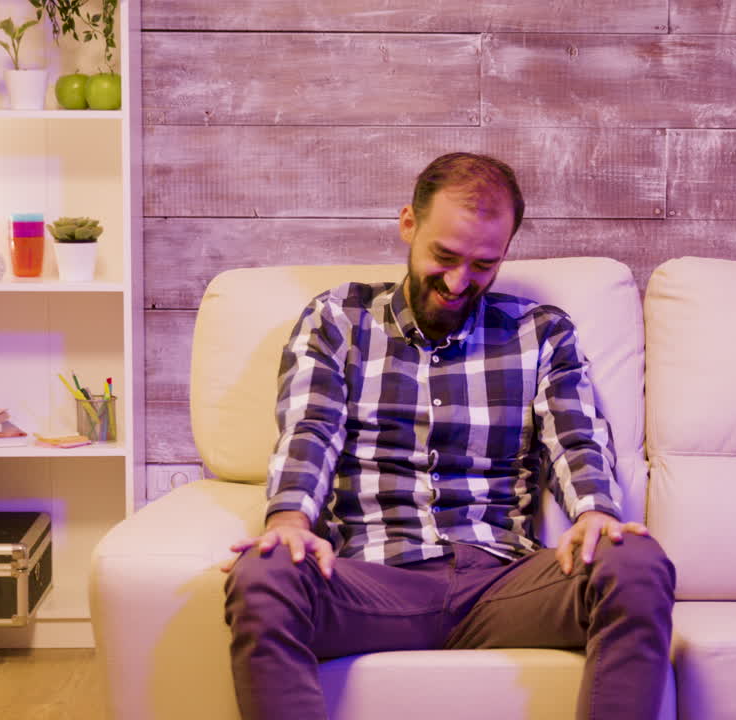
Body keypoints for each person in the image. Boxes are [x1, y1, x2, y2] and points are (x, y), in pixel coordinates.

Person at [222, 152, 676, 720]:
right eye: (444, 256)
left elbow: (575, 438)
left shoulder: (541, 332)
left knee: (635, 562)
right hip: (372, 581)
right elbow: (309, 428)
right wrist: (289, 520)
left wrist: (594, 512)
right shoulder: (338, 319)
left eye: (484, 264)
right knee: (264, 573)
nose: (460, 282)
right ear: (408, 223)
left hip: (504, 583)